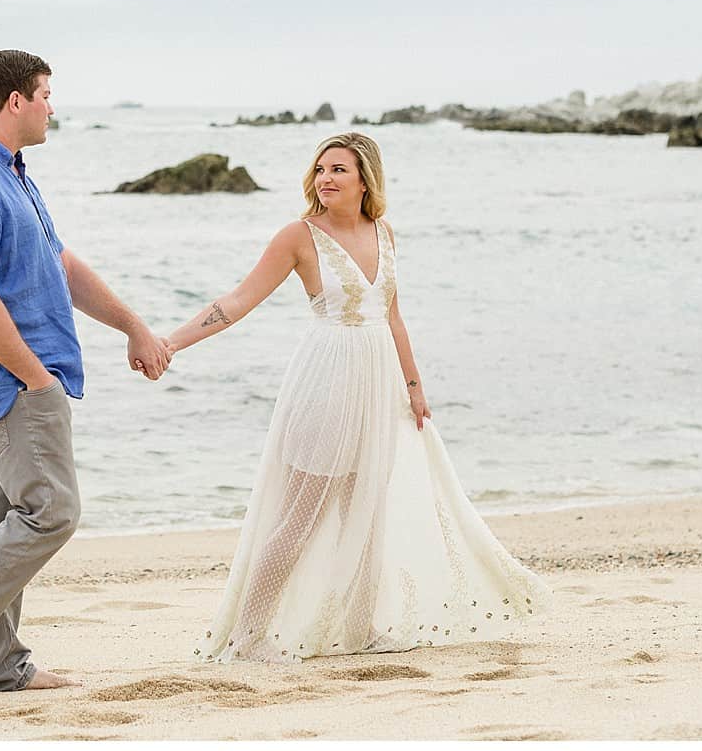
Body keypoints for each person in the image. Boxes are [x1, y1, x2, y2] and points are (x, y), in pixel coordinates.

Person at [166, 132, 551, 664]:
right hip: (325, 382)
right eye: (321, 169)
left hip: (380, 387)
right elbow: (237, 302)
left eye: (339, 170)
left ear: (366, 178)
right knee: (299, 516)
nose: (325, 178)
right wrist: (170, 342)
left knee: (366, 511)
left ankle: (361, 629)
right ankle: (248, 637)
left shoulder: (384, 232)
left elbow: (392, 316)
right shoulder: (298, 236)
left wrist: (414, 388)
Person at [0, 49, 174, 698]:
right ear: (15, 101)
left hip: (24, 377)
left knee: (3, 522)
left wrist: (133, 325)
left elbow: (63, 265)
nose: (54, 106)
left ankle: (2, 665)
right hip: (13, 381)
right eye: (47, 93)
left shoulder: (12, 173)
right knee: (52, 510)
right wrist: (36, 378)